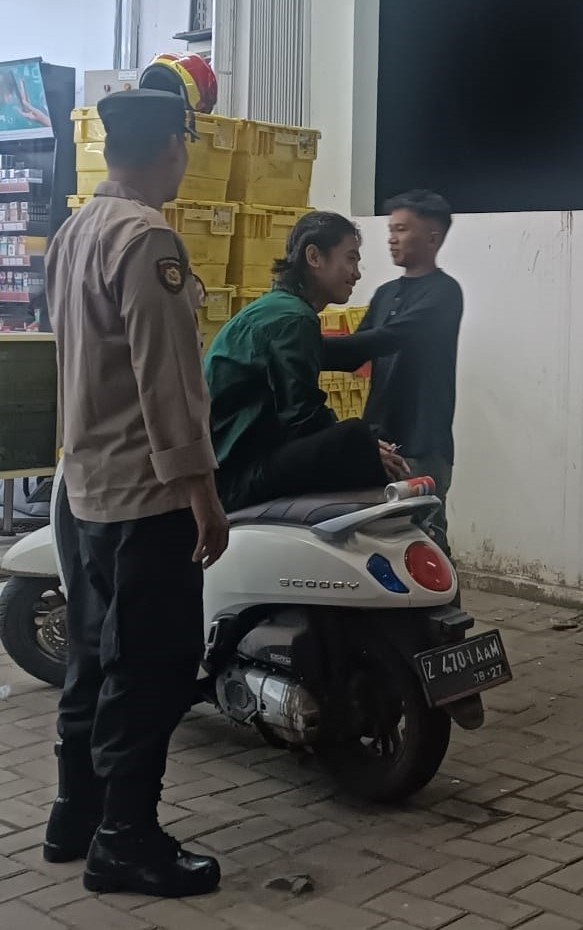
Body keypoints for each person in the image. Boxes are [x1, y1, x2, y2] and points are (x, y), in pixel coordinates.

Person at [44, 89, 228, 898]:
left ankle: (75, 814)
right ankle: (126, 839)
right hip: (146, 497)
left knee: (93, 655)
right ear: (172, 149)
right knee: (150, 665)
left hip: (86, 486)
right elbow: (168, 381)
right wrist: (202, 492)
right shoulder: (148, 238)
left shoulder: (76, 229)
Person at [204, 211, 408, 512]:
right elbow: (302, 416)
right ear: (314, 257)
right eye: (350, 259)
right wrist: (363, 448)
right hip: (235, 476)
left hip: (237, 462)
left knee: (362, 438)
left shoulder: (276, 309)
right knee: (355, 436)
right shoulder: (293, 319)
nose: (357, 273)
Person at [322, 190, 462, 556]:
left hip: (422, 441)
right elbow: (355, 353)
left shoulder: (445, 294)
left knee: (427, 540)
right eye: (390, 229)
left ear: (432, 237)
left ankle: (447, 594)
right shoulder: (385, 293)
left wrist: (303, 345)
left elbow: (388, 338)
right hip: (380, 439)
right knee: (382, 539)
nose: (391, 238)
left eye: (401, 229)